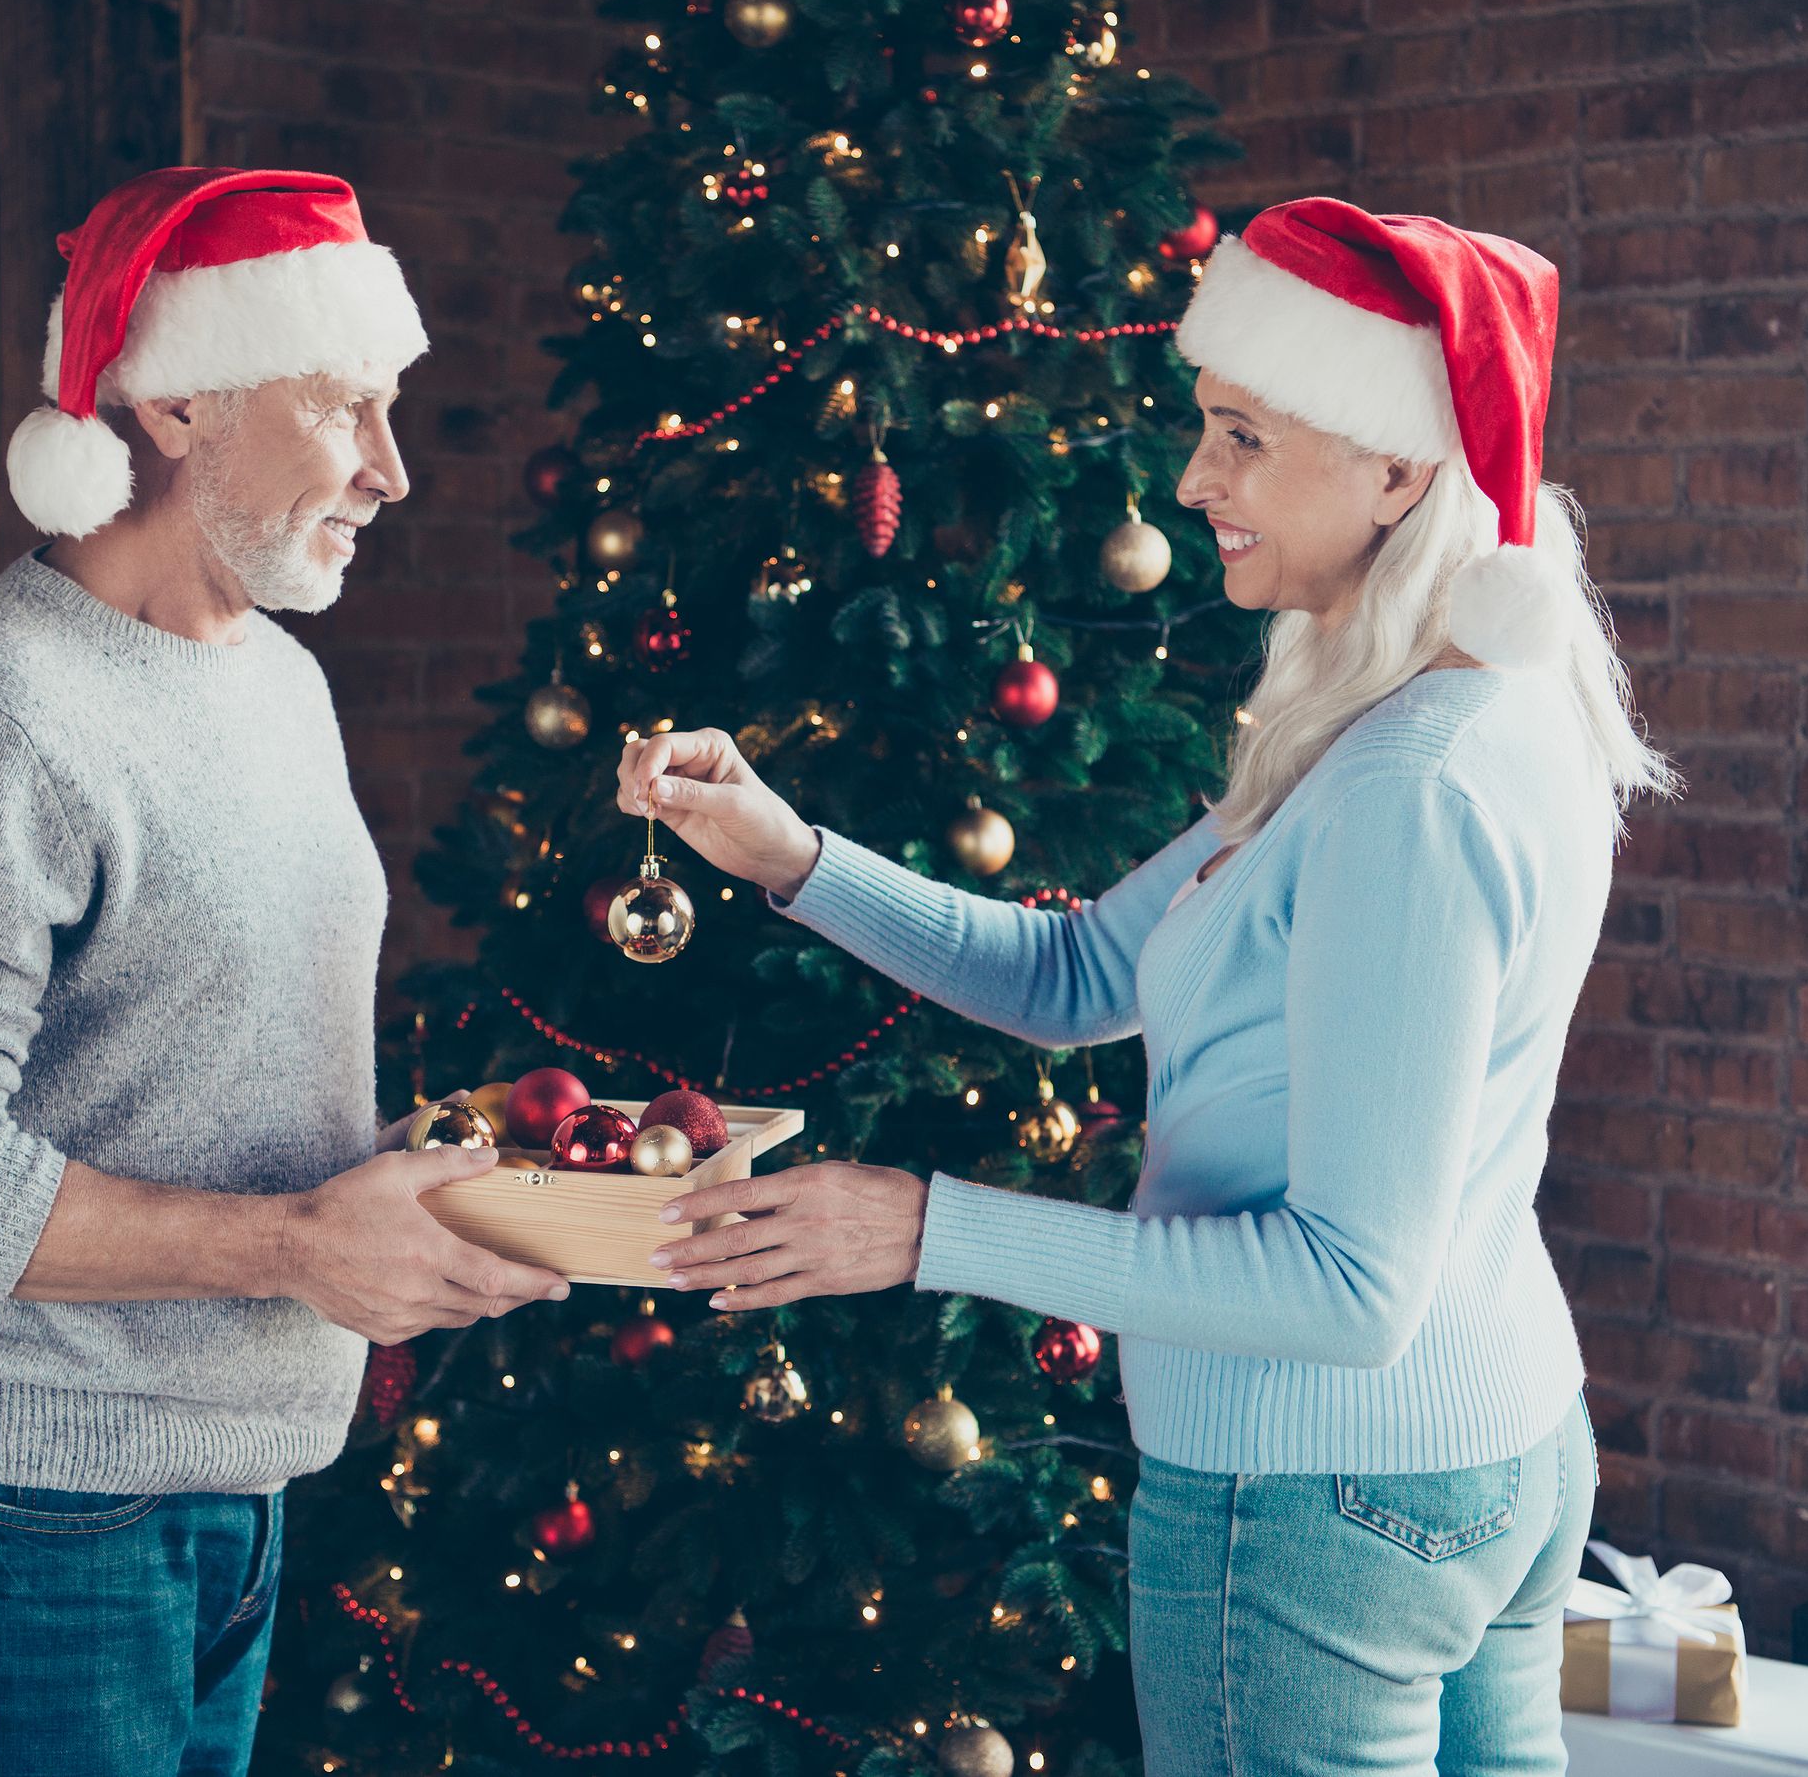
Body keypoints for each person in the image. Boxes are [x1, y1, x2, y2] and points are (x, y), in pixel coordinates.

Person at [623, 198, 1675, 1775]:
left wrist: (922, 1228)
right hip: (1490, 1461)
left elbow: (1349, 1289)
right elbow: (1079, 969)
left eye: (1243, 435)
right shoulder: (1425, 723)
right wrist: (789, 851)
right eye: (1208, 430)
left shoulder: (1409, 780)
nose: (1195, 481)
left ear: (1398, 468)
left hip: (1318, 1502)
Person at [0, 167, 571, 1777]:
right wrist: (295, 1247)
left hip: (241, 1486)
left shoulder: (281, 684)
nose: (391, 470)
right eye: (349, 406)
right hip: (29, 1519)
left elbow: (200, 1064)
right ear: (181, 399)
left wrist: (435, 1206)